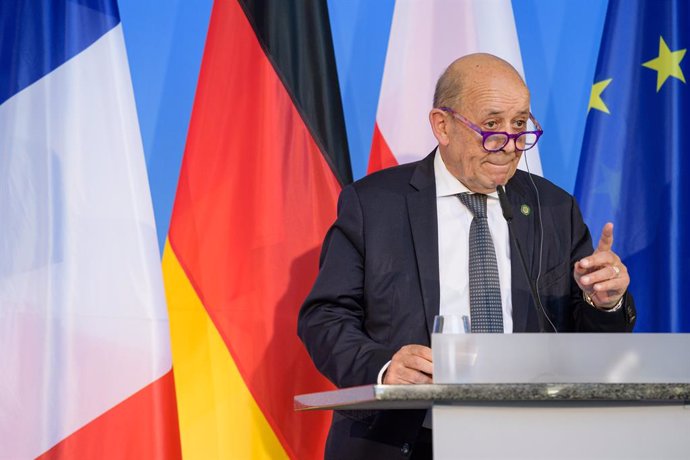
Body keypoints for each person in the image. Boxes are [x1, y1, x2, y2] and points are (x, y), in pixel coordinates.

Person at [298, 53, 636, 460]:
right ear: (443, 125)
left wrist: (605, 301)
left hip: (526, 439)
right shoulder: (374, 205)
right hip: (405, 439)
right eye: (491, 126)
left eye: (520, 125)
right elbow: (325, 317)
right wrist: (386, 368)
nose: (509, 146)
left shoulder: (553, 208)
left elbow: (591, 346)